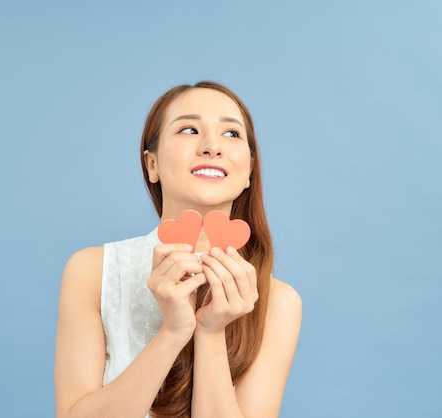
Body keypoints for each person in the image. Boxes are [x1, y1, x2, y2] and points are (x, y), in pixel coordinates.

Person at [54, 81, 302, 418]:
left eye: (231, 134)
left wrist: (210, 332)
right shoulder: (92, 271)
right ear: (151, 164)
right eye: (188, 129)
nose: (212, 146)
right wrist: (173, 331)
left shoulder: (277, 302)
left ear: (249, 172)